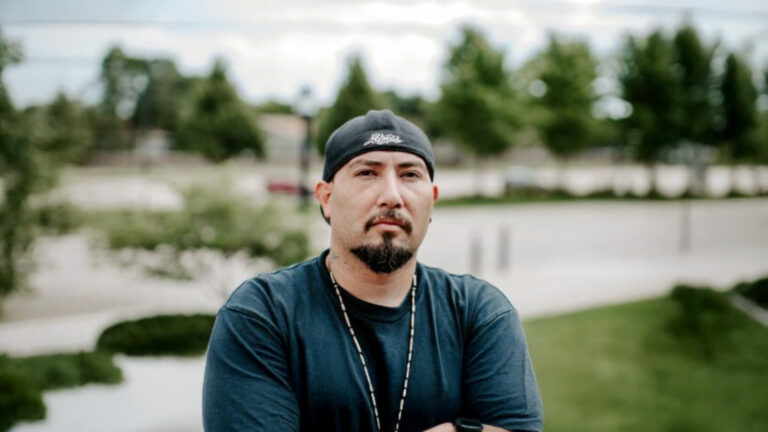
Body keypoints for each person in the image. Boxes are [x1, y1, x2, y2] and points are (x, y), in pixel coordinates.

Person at [202, 110, 543, 432]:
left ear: (432, 199)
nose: (392, 196)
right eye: (367, 173)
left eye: (410, 175)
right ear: (326, 198)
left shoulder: (479, 312)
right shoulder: (263, 314)